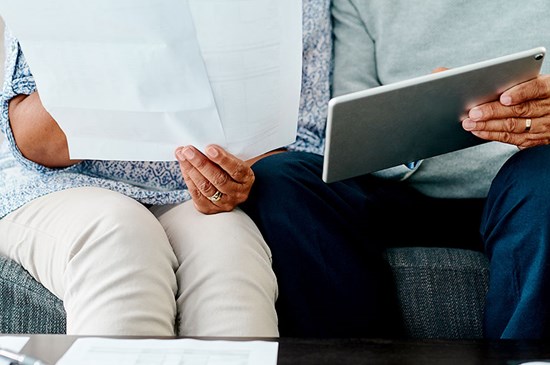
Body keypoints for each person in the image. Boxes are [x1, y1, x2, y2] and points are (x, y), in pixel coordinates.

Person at [0, 0, 332, 336]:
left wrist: (233, 177)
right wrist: (130, 55)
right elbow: (32, 143)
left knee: (231, 259)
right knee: (118, 236)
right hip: (61, 185)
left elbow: (300, 140)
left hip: (189, 195)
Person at [240, 0, 550, 339]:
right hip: (399, 190)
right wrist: (425, 117)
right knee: (281, 178)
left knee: (542, 172)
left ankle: (523, 360)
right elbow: (353, 126)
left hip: (526, 188)